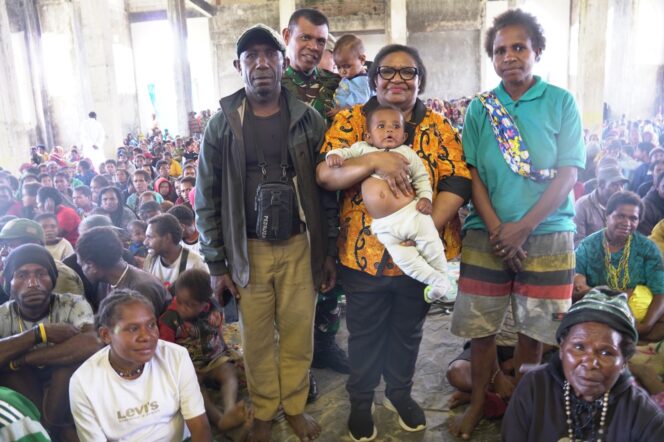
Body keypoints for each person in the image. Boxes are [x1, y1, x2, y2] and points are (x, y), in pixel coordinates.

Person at [316, 44, 471, 440]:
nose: (397, 79)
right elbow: (324, 175)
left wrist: (424, 229)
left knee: (408, 331)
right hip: (363, 257)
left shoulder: (438, 126)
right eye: (388, 71)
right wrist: (372, 161)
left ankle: (399, 394)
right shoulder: (352, 121)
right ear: (373, 78)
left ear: (420, 79)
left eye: (408, 72)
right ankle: (361, 400)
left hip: (417, 253)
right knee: (364, 334)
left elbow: (457, 180)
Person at [449, 9, 585, 439]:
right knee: (481, 328)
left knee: (535, 332)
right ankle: (477, 405)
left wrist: (523, 227)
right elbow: (472, 173)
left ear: (537, 51)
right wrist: (496, 228)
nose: (508, 57)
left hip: (547, 233)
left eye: (518, 47)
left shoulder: (561, 102)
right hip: (485, 234)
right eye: (499, 50)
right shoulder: (480, 108)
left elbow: (568, 173)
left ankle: (520, 411)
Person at [196, 23, 335, 442]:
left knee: (297, 332)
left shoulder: (308, 120)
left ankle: (293, 406)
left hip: (299, 245)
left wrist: (325, 253)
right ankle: (263, 412)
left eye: (268, 55)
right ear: (238, 66)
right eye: (250, 56)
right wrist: (217, 262)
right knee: (255, 339)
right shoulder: (221, 125)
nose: (260, 63)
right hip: (247, 251)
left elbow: (326, 194)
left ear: (281, 62)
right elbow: (206, 196)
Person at [325, 104, 452, 301]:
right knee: (407, 260)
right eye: (381, 126)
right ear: (368, 136)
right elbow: (343, 153)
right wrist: (333, 156)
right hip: (385, 226)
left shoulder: (407, 154)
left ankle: (443, 278)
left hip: (412, 214)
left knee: (432, 246)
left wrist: (426, 198)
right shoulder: (362, 150)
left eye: (395, 127)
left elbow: (421, 178)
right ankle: (435, 281)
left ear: (403, 137)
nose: (389, 130)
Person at [502, 288, 664, 441]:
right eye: (579, 347)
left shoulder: (642, 414)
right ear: (562, 350)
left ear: (624, 362)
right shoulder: (534, 388)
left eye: (606, 352)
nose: (590, 363)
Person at [282, 8, 348, 375]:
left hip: (330, 195)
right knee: (293, 286)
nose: (312, 46)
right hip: (289, 199)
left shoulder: (333, 85)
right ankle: (297, 363)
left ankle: (325, 344)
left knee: (330, 276)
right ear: (287, 35)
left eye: (320, 41)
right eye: (305, 37)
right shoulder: (270, 84)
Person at [69, 289, 212, 441]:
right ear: (106, 335)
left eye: (151, 325)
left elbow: (200, 426)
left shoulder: (176, 357)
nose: (147, 336)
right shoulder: (84, 382)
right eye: (133, 328)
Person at [0, 244, 99, 440]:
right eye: (22, 275)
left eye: (41, 273)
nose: (33, 283)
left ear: (53, 279)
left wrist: (24, 358)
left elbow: (93, 342)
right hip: (24, 388)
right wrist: (39, 334)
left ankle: (47, 428)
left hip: (65, 389)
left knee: (66, 366)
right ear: (9, 283)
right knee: (12, 373)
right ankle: (47, 429)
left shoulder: (72, 303)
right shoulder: (3, 314)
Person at [159, 269, 251, 433]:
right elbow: (167, 351)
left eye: (190, 305)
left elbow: (217, 333)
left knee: (229, 372)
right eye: (179, 301)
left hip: (214, 359)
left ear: (205, 303)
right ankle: (219, 419)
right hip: (190, 366)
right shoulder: (169, 320)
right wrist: (186, 371)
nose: (182, 307)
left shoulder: (214, 307)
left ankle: (229, 409)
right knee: (194, 390)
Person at [575, 191, 664, 341]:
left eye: (633, 218)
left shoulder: (647, 248)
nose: (627, 223)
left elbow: (660, 291)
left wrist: (646, 326)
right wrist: (614, 294)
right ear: (607, 216)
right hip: (597, 312)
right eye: (620, 216)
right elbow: (577, 291)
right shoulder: (588, 246)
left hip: (637, 318)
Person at [76, 226, 171, 316]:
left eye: (81, 265)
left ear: (91, 265)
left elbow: (146, 331)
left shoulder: (141, 289)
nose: (82, 270)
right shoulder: (105, 282)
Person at [0, 219, 84, 303]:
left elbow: (66, 312)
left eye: (10, 245)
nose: (3, 253)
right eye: (3, 246)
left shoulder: (58, 274)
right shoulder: (13, 271)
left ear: (32, 246)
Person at [143, 213, 207, 289]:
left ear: (167, 238)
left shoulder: (196, 264)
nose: (145, 242)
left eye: (150, 237)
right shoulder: (150, 259)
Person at [574, 166, 628, 246]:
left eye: (621, 185)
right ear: (601, 185)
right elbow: (577, 241)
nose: (620, 189)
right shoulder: (583, 205)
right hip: (590, 255)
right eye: (615, 185)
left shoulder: (623, 206)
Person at [332, 34, 371, 110]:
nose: (342, 71)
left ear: (362, 60)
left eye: (347, 66)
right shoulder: (351, 76)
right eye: (338, 67)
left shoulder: (362, 81)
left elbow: (361, 101)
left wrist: (342, 109)